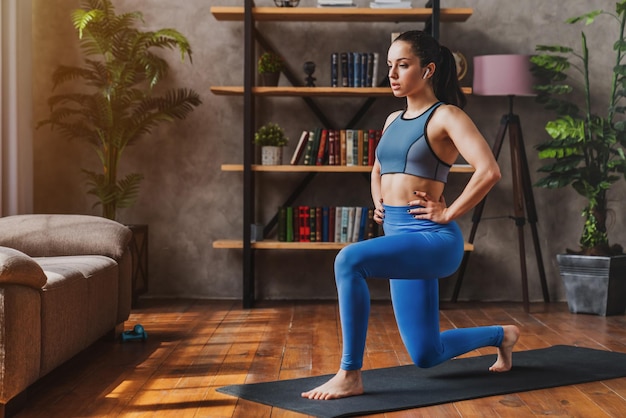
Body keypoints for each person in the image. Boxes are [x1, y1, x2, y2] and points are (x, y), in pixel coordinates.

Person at [301, 30, 520, 401]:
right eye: (390, 66)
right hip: (397, 236)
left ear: (428, 69)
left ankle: (349, 374)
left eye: (403, 65)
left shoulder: (446, 116)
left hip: (432, 240)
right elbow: (378, 169)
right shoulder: (391, 119)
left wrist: (449, 210)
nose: (393, 73)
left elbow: (489, 171)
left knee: (348, 260)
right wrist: (379, 201)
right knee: (426, 354)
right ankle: (503, 335)